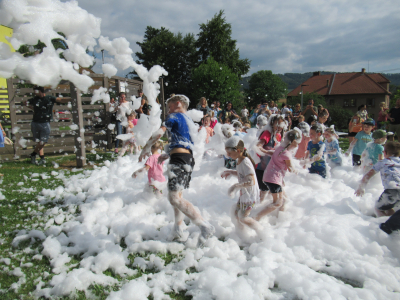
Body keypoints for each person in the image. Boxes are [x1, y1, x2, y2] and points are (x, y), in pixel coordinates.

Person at [138, 95, 215, 246]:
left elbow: (158, 134)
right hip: (185, 159)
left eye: (169, 106)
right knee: (177, 195)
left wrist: (145, 148)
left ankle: (204, 225)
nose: (167, 110)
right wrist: (168, 154)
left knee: (174, 198)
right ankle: (178, 229)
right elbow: (186, 143)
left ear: (178, 103)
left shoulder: (174, 116)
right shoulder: (188, 121)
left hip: (180, 159)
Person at [254, 128, 302, 221]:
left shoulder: (280, 148)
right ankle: (257, 217)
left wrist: (265, 151)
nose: (298, 145)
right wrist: (297, 170)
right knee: (277, 202)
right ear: (293, 141)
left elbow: (273, 152)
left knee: (283, 199)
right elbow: (291, 168)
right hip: (273, 179)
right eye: (298, 142)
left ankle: (280, 217)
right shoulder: (286, 154)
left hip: (270, 176)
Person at [221, 137, 262, 234]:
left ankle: (261, 232)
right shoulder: (240, 160)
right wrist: (231, 172)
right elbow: (242, 175)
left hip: (250, 195)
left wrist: (235, 187)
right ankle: (241, 234)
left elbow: (251, 181)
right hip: (244, 193)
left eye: (229, 153)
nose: (228, 155)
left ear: (238, 151)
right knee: (236, 214)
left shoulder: (245, 162)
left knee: (243, 217)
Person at [355, 141, 400, 221]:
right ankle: (393, 222)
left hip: (391, 190)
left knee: (378, 208)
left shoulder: (382, 162)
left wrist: (361, 187)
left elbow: (368, 175)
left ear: (384, 152)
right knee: (388, 207)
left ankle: (384, 226)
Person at [23, 86, 64, 165]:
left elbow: (60, 100)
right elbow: (25, 102)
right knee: (39, 142)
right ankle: (42, 158)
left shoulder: (48, 98)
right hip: (35, 122)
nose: (34, 93)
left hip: (45, 123)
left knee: (43, 141)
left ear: (40, 91)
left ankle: (33, 154)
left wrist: (71, 98)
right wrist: (33, 108)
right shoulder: (35, 99)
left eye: (36, 91)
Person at [255, 114, 286, 202]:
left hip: (273, 168)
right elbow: (257, 146)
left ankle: (273, 209)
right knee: (263, 191)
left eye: (281, 125)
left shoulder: (278, 135)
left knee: (274, 190)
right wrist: (268, 152)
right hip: (262, 167)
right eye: (277, 124)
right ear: (272, 124)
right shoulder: (267, 133)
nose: (280, 127)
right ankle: (259, 208)